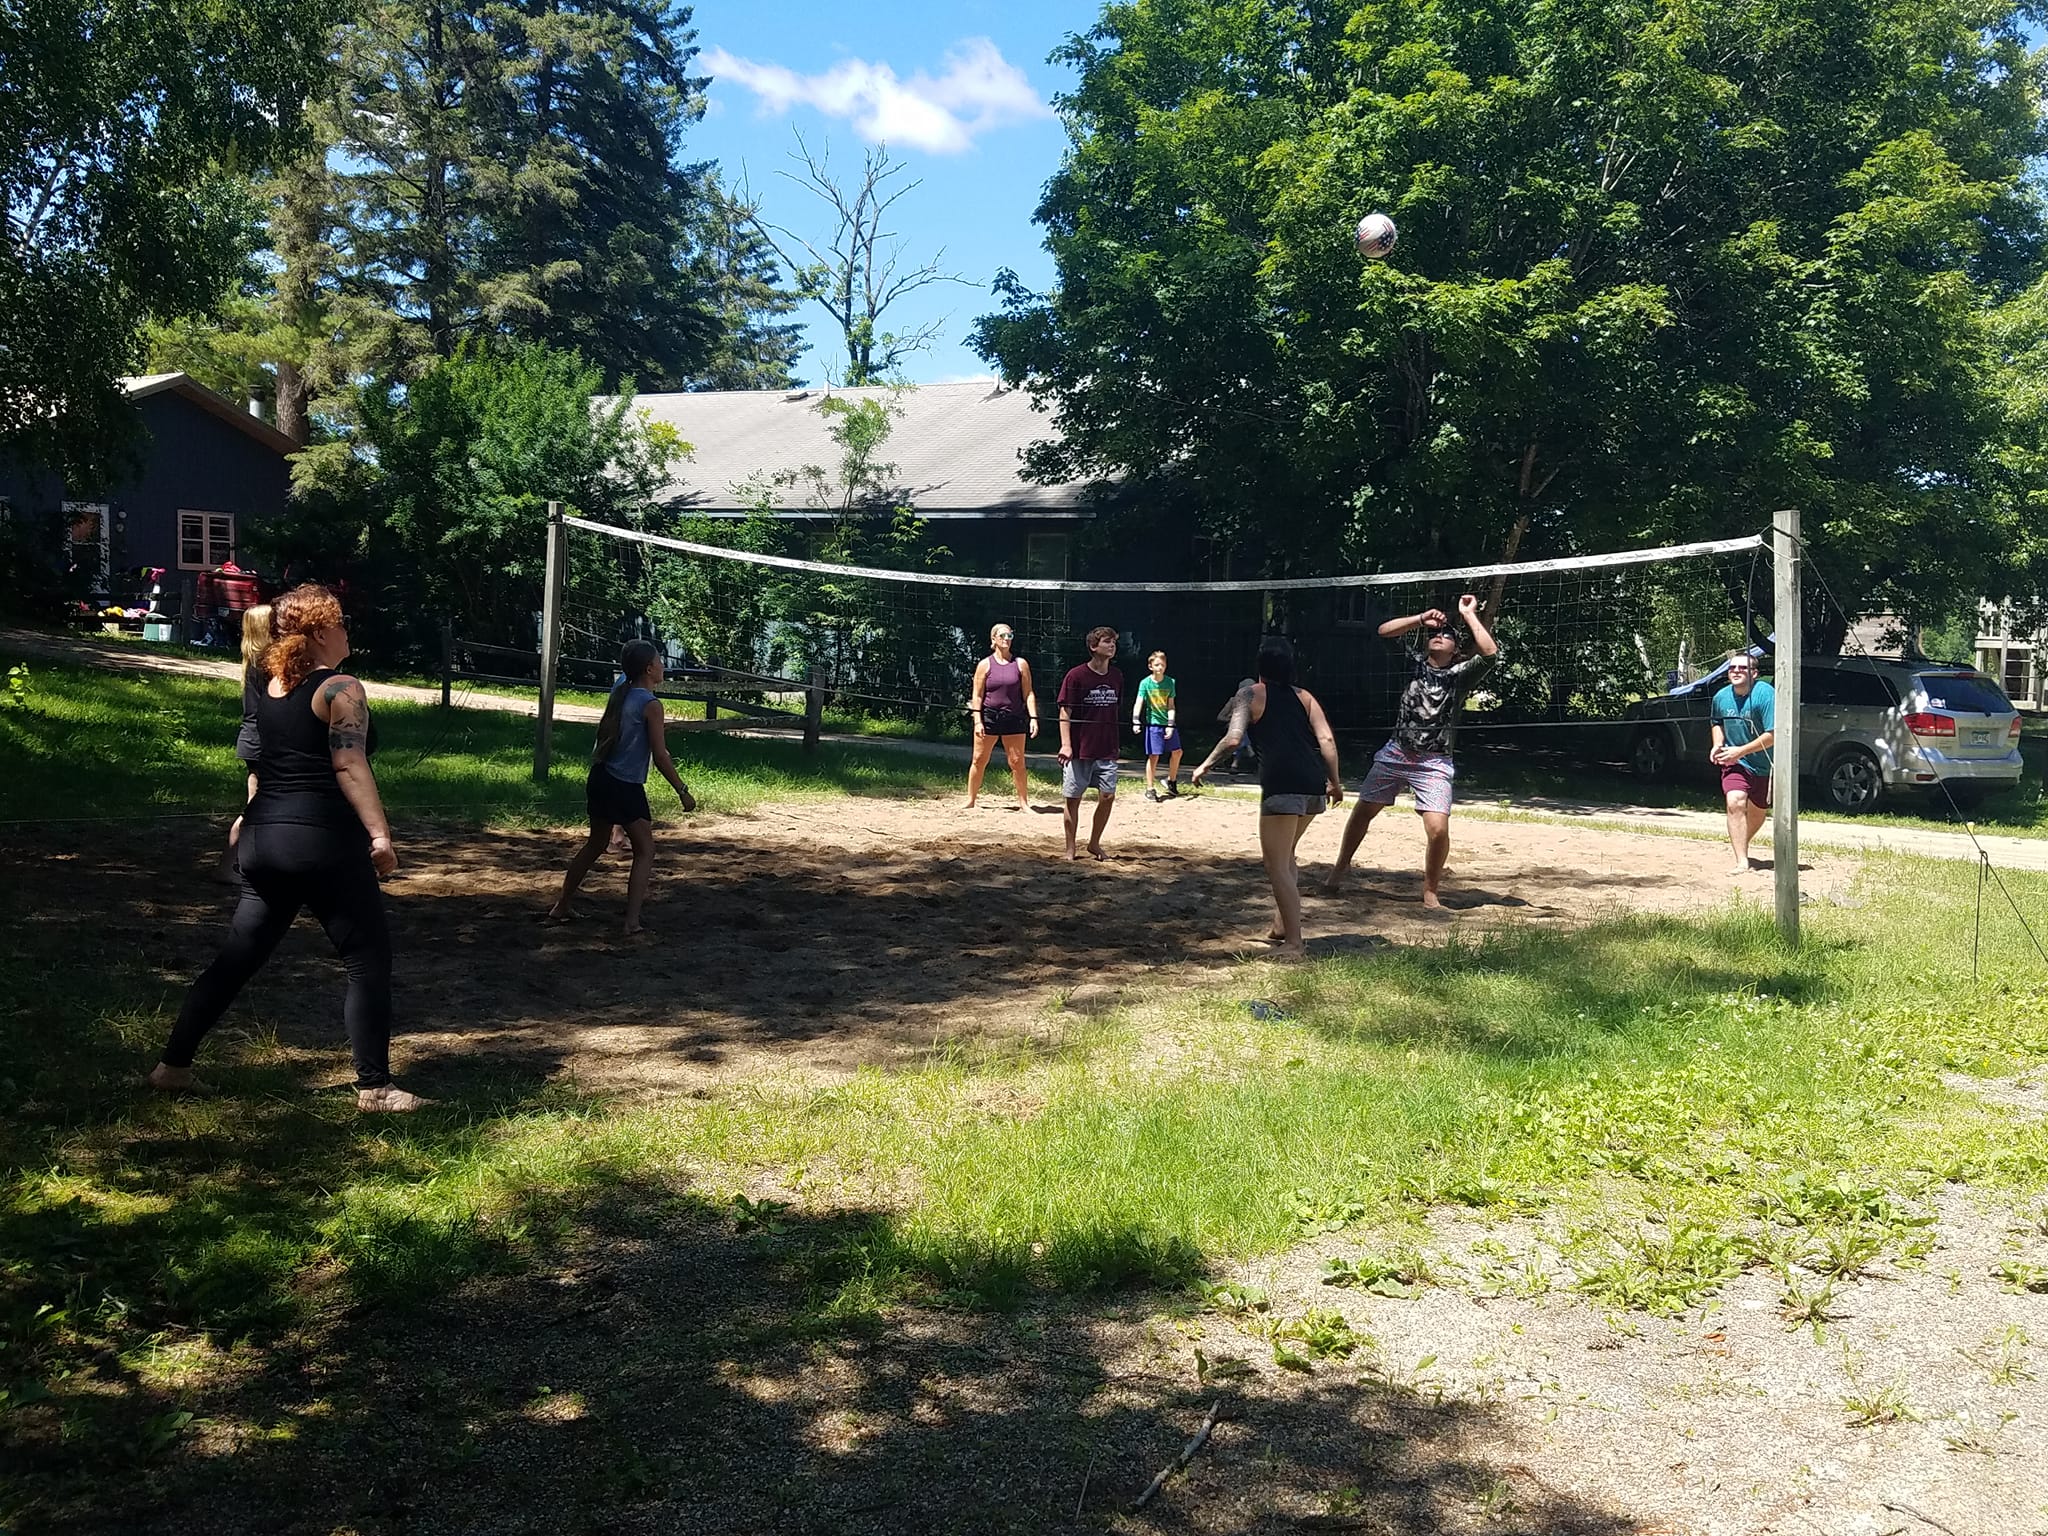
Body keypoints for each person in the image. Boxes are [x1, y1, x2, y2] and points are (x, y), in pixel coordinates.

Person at [151, 584, 428, 1111]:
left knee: (237, 959)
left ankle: (172, 1066)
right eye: (341, 622)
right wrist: (380, 835)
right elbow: (349, 763)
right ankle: (375, 1087)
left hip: (264, 841)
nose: (347, 631)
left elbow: (261, 764)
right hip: (321, 841)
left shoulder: (276, 685)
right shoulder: (341, 688)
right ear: (321, 632)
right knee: (367, 960)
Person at [1324, 593, 1500, 911]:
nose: (1439, 636)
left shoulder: (1459, 676)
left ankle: (1430, 891)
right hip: (1397, 752)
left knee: (1438, 829)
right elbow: (1384, 631)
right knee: (1363, 812)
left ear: (1456, 650)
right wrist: (1421, 619)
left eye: (1447, 635)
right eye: (1435, 634)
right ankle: (1340, 868)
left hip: (1434, 761)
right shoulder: (1412, 665)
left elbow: (1490, 654)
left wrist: (1468, 614)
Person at [1190, 636, 1345, 959]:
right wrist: (1335, 782)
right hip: (1313, 784)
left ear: (1260, 665)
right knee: (1286, 857)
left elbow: (1233, 739)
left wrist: (1205, 765)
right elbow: (1327, 740)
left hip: (1282, 785)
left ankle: (1294, 944)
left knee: (1276, 865)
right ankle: (1281, 926)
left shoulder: (1250, 693)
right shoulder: (1305, 697)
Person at [549, 640, 697, 935]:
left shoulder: (621, 687)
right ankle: (631, 922)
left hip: (600, 776)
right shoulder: (651, 705)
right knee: (646, 850)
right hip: (624, 785)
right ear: (649, 668)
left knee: (595, 844)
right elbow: (660, 755)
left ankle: (561, 906)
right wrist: (682, 790)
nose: (663, 666)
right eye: (659, 661)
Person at [215, 602, 274, 882]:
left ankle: (247, 862)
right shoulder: (265, 665)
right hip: (261, 743)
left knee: (260, 805)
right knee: (255, 806)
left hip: (253, 741)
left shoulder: (253, 661)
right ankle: (228, 865)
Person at [1056, 625, 1124, 861]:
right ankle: (1070, 848)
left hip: (1107, 748)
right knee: (1073, 799)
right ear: (1094, 647)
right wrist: (1066, 745)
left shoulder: (1117, 676)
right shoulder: (1076, 676)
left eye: (1113, 641)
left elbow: (1115, 710)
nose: (1112, 645)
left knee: (1108, 797)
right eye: (1107, 641)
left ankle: (1094, 844)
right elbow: (1065, 712)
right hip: (1080, 749)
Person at [1710, 652, 1776, 875]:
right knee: (1735, 801)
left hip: (1764, 763)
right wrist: (1718, 744)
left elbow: (1773, 735)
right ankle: (1742, 862)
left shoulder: (1766, 694)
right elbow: (1717, 722)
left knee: (1758, 812)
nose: (1736, 671)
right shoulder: (1720, 697)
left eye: (1742, 668)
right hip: (1735, 762)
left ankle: (1741, 842)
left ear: (1754, 673)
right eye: (1732, 668)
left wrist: (1741, 750)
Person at [965, 623, 1039, 810]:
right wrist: (978, 721)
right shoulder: (985, 664)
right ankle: (970, 800)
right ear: (994, 639)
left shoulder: (1020, 664)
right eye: (1002, 635)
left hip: (1013, 717)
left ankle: (1024, 803)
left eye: (1009, 635)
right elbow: (977, 695)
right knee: (979, 759)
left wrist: (1033, 718)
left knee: (1017, 762)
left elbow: (1028, 693)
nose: (1006, 639)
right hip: (989, 716)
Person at [1131, 650, 1184, 801]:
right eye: (1157, 665)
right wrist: (1136, 720)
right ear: (1151, 666)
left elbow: (1171, 705)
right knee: (1154, 756)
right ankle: (1150, 788)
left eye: (1163, 665)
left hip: (1167, 723)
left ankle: (1171, 781)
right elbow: (1139, 702)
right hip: (1153, 724)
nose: (1160, 667)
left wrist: (1170, 724)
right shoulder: (1145, 683)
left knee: (1177, 752)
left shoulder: (1170, 682)